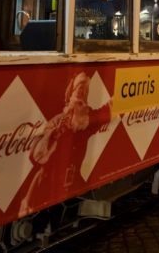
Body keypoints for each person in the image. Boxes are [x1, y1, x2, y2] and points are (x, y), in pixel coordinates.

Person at [20, 72, 112, 215]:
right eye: (79, 88)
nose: (82, 92)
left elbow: (107, 111)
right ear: (71, 93)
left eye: (85, 90)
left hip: (72, 182)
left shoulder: (86, 121)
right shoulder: (57, 121)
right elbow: (37, 156)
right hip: (45, 185)